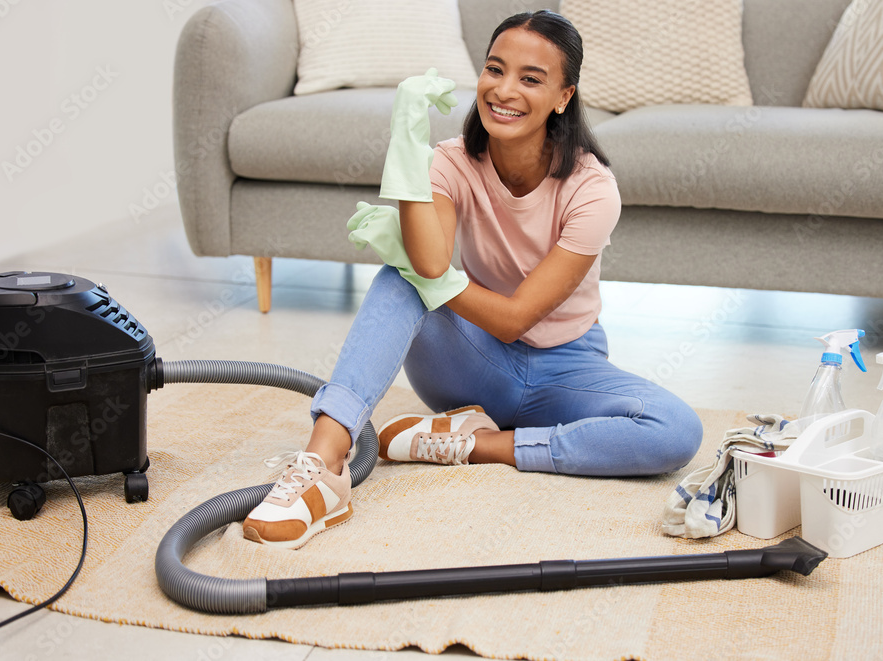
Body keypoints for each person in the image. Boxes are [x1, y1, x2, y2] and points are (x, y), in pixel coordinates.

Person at [241, 10, 703, 549]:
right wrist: (407, 151)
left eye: (531, 79)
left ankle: (476, 443)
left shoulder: (592, 188)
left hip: (565, 368)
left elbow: (515, 319)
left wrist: (435, 279)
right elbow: (428, 265)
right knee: (402, 275)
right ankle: (323, 464)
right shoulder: (452, 163)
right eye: (494, 69)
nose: (504, 90)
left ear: (563, 96)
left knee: (677, 430)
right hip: (469, 363)